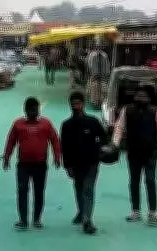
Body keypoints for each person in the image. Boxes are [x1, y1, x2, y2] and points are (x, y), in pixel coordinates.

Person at [111, 85, 157, 224]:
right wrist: (115, 144)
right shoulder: (127, 110)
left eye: (144, 96)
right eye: (138, 96)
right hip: (133, 152)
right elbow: (119, 128)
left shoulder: (156, 112)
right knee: (134, 181)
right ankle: (135, 211)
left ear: (149, 98)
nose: (141, 98)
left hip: (150, 153)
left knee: (150, 180)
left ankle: (152, 212)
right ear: (134, 97)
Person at [3, 97, 61, 231]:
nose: (35, 112)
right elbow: (11, 141)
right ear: (26, 110)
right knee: (22, 191)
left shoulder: (46, 124)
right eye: (32, 110)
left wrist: (57, 157)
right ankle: (23, 220)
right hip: (23, 165)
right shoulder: (18, 124)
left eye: (36, 109)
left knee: (39, 192)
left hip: (40, 164)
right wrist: (6, 157)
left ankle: (37, 219)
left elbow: (55, 140)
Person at [60, 92, 107, 235]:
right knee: (79, 189)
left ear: (83, 104)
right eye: (73, 104)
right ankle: (81, 212)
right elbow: (64, 147)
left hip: (91, 163)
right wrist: (67, 165)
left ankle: (87, 220)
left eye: (78, 103)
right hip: (75, 164)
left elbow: (104, 137)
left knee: (88, 190)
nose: (76, 106)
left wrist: (99, 150)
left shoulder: (93, 122)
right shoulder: (66, 125)